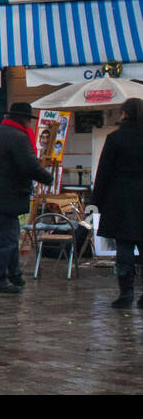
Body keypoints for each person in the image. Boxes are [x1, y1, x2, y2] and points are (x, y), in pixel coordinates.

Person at [0, 102, 54, 294]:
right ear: (25, 119)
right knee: (5, 238)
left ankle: (14, 274)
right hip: (9, 194)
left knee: (9, 235)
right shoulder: (18, 137)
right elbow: (29, 165)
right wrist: (48, 178)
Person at [91, 97, 143, 309]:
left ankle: (126, 294)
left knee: (124, 245)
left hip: (121, 197)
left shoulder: (115, 138)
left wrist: (95, 204)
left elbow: (103, 173)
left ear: (124, 114)